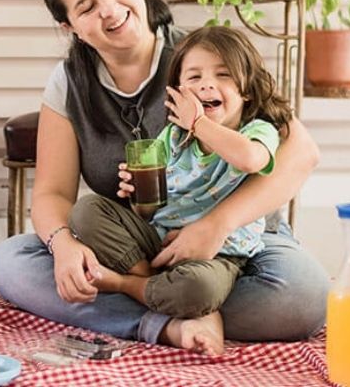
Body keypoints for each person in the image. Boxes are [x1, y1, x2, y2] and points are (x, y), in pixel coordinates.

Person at [0, 0, 330, 350]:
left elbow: (302, 152)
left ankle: (164, 304)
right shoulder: (68, 84)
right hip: (134, 245)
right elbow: (52, 193)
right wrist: (63, 248)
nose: (110, 10)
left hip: (238, 243)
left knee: (305, 296)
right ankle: (172, 320)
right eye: (86, 7)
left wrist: (215, 225)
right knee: (11, 263)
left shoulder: (203, 59)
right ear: (70, 27)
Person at [69, 26, 294, 354]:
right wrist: (138, 196)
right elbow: (150, 211)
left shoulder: (257, 131)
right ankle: (153, 280)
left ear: (247, 90)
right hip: (160, 241)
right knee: (85, 210)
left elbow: (250, 160)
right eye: (194, 77)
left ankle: (126, 284)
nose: (206, 84)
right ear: (178, 92)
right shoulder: (172, 138)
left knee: (197, 289)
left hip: (218, 254)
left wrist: (199, 123)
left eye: (223, 74)